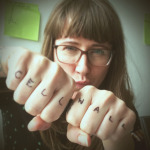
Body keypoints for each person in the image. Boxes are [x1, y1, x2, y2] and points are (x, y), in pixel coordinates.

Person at [0, 0, 146, 150]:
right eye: (70, 48)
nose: (83, 68)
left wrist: (118, 142)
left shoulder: (120, 111)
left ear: (113, 58)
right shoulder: (18, 90)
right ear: (52, 50)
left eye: (98, 51)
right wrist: (4, 56)